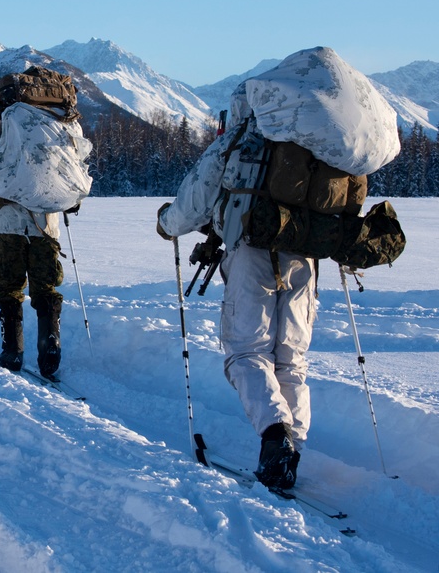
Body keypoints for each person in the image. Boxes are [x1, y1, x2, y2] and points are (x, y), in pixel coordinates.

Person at [156, 46, 400, 491]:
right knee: (291, 361)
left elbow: (196, 198)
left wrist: (166, 223)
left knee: (247, 353)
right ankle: (292, 450)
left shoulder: (245, 136)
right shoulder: (315, 146)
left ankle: (275, 438)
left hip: (251, 253)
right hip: (306, 256)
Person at [0, 66, 90, 379]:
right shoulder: (58, 131)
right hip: (48, 226)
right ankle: (50, 346)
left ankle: (12, 351)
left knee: (10, 288)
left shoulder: (2, 136)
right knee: (45, 289)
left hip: (9, 226)